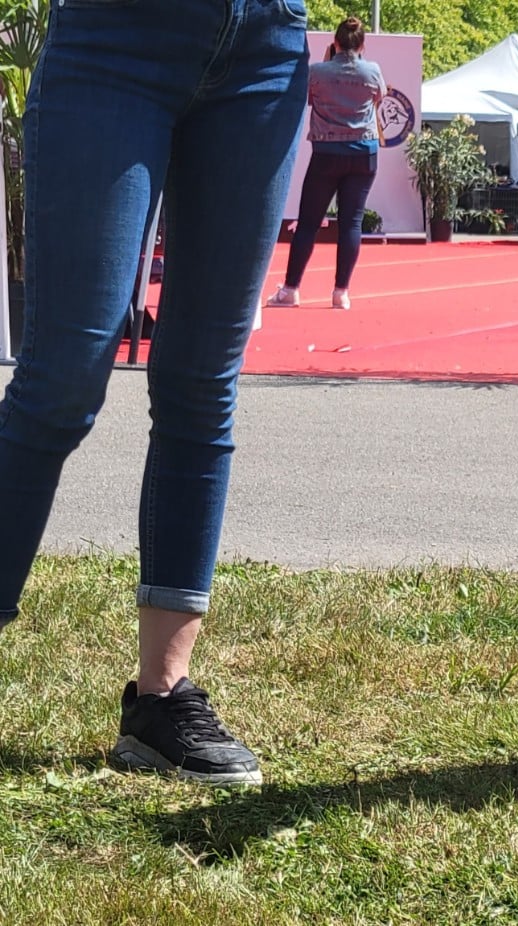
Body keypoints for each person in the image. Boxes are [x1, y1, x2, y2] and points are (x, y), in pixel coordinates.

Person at [0, 0, 308, 784]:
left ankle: (160, 701)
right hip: (118, 32)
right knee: (63, 376)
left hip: (266, 47)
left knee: (203, 380)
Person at [268, 17, 386, 311]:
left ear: (335, 43)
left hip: (327, 151)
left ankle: (291, 288)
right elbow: (379, 98)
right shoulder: (372, 70)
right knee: (352, 222)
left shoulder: (317, 72)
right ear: (362, 44)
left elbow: (305, 99)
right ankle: (341, 292)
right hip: (363, 152)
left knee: (308, 222)